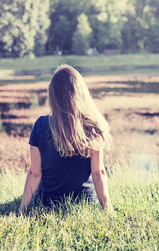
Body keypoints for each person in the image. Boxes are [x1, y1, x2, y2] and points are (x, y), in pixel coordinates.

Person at [18, 64, 113, 214]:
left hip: (48, 204)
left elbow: (34, 173)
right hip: (86, 204)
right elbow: (98, 172)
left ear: (54, 96)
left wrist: (22, 209)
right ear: (81, 93)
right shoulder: (94, 125)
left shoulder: (41, 125)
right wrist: (108, 210)